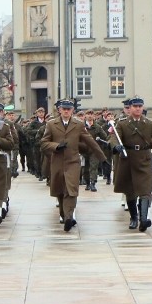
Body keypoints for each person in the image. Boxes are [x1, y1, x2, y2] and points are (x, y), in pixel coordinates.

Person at [109, 97, 152, 232]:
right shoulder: (122, 123)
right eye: (135, 106)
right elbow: (114, 137)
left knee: (145, 191)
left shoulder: (149, 123)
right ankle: (134, 218)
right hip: (128, 159)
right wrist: (116, 147)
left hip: (144, 159)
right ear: (130, 108)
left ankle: (144, 219)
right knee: (130, 192)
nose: (137, 108)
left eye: (140, 106)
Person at [41, 99, 106, 231]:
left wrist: (103, 159)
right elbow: (43, 143)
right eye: (64, 109)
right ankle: (64, 214)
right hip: (57, 162)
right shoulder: (51, 124)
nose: (66, 111)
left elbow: (90, 142)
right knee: (60, 191)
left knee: (71, 189)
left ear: (72, 111)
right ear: (59, 110)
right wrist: (56, 146)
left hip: (73, 162)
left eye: (69, 109)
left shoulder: (78, 124)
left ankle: (69, 217)